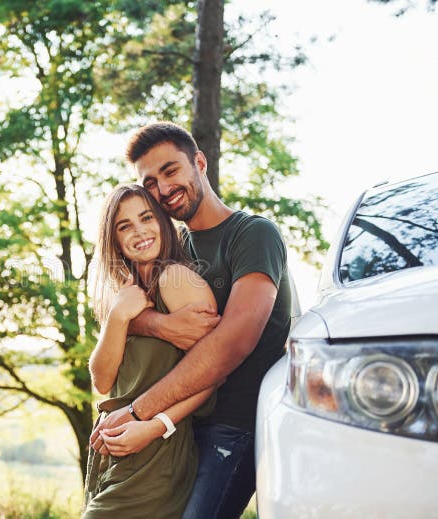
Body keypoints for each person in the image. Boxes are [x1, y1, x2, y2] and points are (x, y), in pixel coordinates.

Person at [90, 122, 292, 519]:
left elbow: (233, 342)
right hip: (180, 427)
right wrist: (158, 325)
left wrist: (140, 413)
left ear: (199, 162)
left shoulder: (252, 235)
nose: (163, 189)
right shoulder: (172, 247)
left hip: (234, 427)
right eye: (150, 182)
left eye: (170, 171)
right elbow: (132, 319)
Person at [82, 184, 219, 518]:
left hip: (157, 449)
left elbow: (212, 374)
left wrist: (155, 426)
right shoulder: (124, 293)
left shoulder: (175, 280)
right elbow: (102, 380)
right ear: (113, 238)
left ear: (162, 222)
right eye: (124, 225)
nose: (139, 231)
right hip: (111, 451)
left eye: (146, 218)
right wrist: (117, 315)